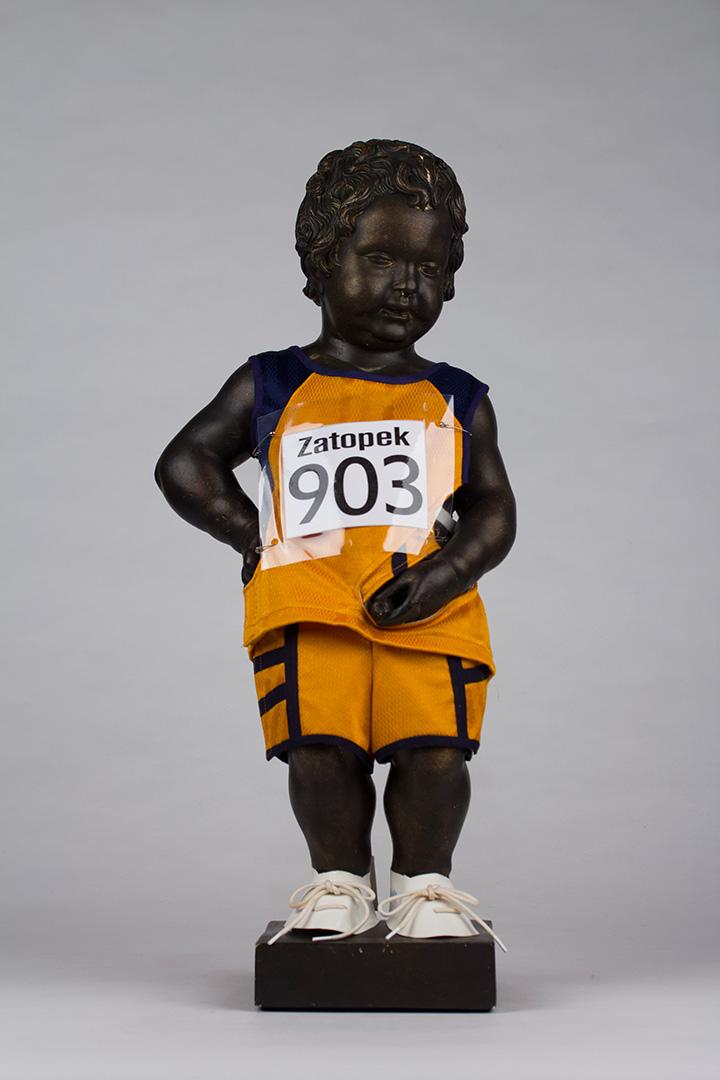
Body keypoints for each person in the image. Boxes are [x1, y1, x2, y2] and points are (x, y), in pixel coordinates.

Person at [155, 139, 516, 947]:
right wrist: (253, 537)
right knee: (320, 751)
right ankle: (340, 882)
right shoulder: (274, 382)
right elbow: (184, 463)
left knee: (436, 753)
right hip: (309, 606)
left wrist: (449, 573)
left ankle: (425, 887)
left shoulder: (457, 397)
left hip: (428, 609)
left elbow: (495, 509)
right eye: (381, 258)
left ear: (451, 277)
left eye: (428, 266)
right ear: (322, 264)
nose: (406, 284)